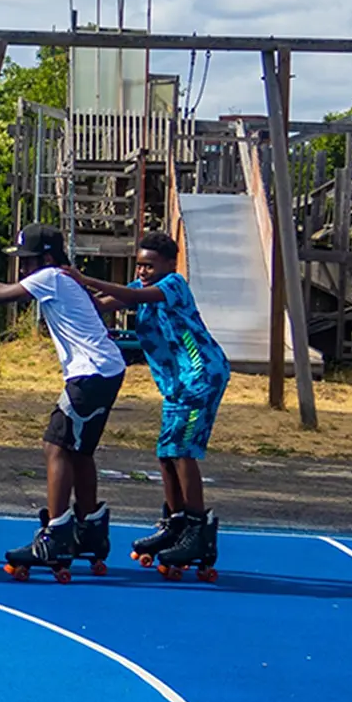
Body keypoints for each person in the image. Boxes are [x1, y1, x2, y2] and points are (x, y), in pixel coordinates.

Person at [0, 223, 125, 582]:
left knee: (56, 446)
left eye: (27, 261)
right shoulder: (63, 278)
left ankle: (56, 535)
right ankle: (90, 528)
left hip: (91, 373)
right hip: (105, 369)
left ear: (47, 258)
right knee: (79, 451)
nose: (23, 269)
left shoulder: (51, 275)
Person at [64, 231, 228, 580]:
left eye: (149, 265)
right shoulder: (138, 285)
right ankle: (175, 520)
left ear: (169, 264)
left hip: (200, 377)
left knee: (183, 451)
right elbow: (103, 302)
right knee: (166, 452)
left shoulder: (173, 285)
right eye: (139, 265)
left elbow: (135, 296)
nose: (143, 271)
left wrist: (87, 277)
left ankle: (198, 532)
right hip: (176, 385)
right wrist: (66, 288)